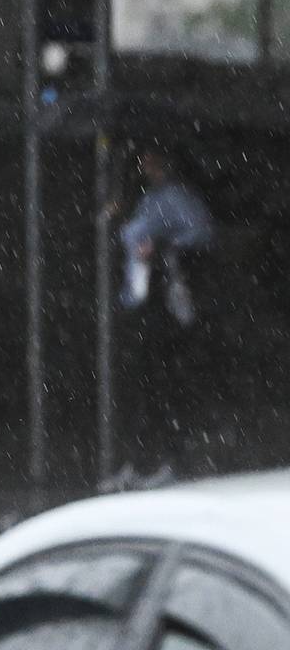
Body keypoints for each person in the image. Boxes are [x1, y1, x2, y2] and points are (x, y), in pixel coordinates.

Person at [111, 145, 215, 487]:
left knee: (162, 382)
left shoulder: (176, 198)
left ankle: (170, 459)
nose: (147, 167)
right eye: (145, 161)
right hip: (142, 300)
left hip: (162, 302)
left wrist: (161, 244)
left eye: (154, 160)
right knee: (143, 384)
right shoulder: (147, 199)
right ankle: (141, 459)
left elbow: (201, 233)